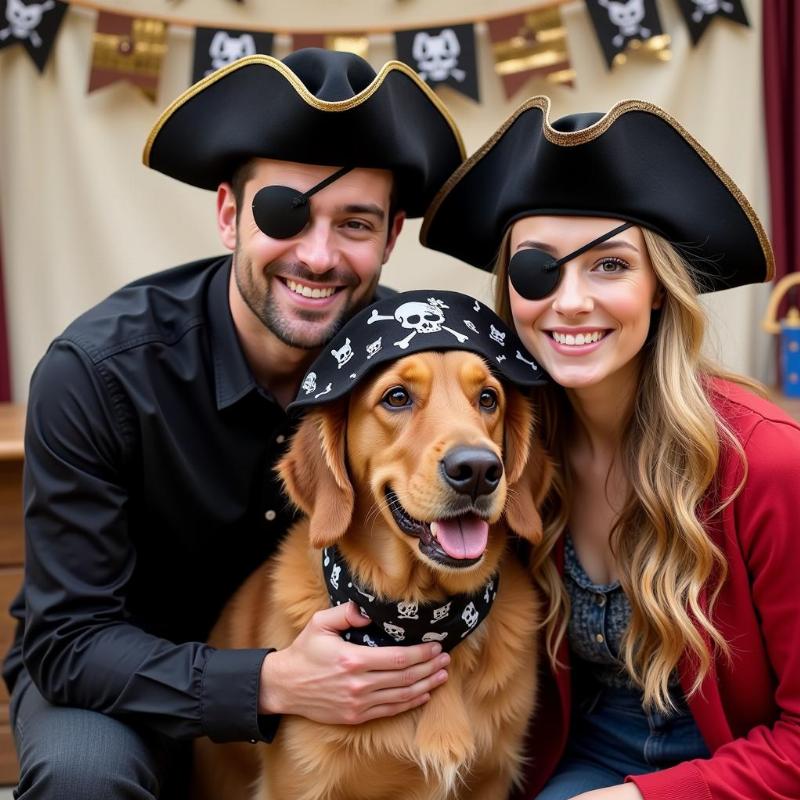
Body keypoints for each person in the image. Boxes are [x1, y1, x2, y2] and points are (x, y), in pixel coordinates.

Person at [2, 48, 464, 799]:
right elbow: (66, 641)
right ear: (228, 214)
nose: (318, 255)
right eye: (285, 214)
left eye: (354, 223)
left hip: (351, 680)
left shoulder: (414, 365)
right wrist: (269, 682)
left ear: (391, 236)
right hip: (121, 686)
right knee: (82, 779)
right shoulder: (98, 372)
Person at [421, 96, 800, 799]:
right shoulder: (508, 450)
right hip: (577, 761)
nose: (568, 302)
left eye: (609, 266)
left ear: (659, 289)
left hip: (745, 770)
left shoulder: (769, 463)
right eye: (539, 270)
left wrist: (638, 799)